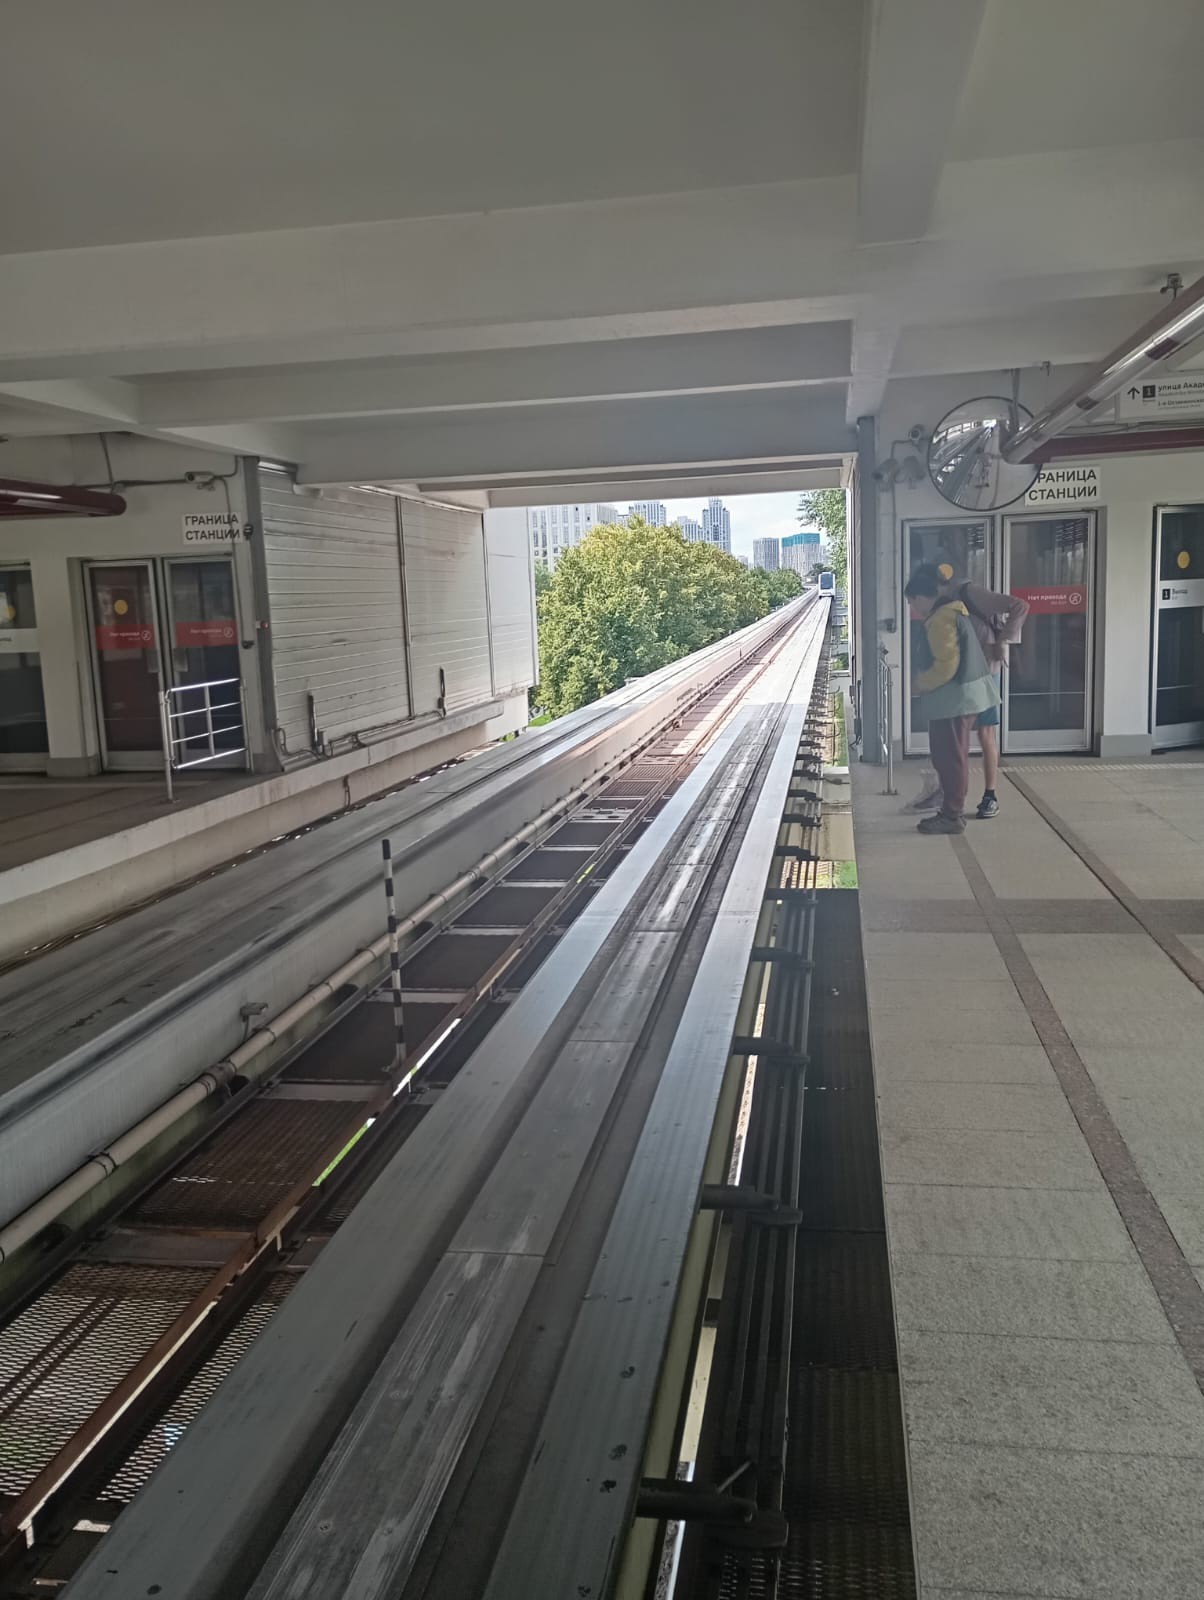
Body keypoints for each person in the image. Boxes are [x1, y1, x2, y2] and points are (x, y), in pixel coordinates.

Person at [904, 564, 1000, 835]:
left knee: (950, 758)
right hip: (957, 700)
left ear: (921, 597)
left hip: (954, 701)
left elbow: (946, 665)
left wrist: (920, 684)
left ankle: (952, 815)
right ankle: (950, 811)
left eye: (912, 601)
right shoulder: (950, 613)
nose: (913, 608)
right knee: (949, 756)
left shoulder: (941, 619)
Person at [939, 570, 1029, 818]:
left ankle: (990, 796)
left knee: (984, 733)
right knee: (955, 735)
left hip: (984, 674)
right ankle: (948, 792)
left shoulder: (971, 592)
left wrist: (1003, 641)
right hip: (961, 674)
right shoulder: (947, 599)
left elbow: (1020, 606)